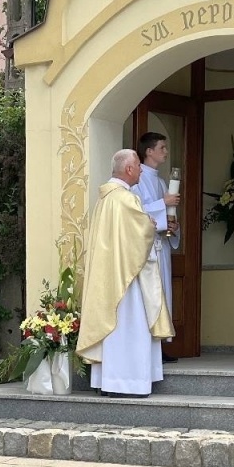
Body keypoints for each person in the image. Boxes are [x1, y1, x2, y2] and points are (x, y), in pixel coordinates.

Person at [78, 150, 175, 397]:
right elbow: (139, 234)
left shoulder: (105, 198)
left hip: (111, 276)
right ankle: (130, 381)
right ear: (129, 169)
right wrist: (151, 225)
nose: (141, 171)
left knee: (114, 329)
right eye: (139, 167)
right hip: (129, 280)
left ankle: (107, 382)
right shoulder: (125, 199)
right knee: (131, 326)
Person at [135, 132, 182, 318]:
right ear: (149, 151)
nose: (166, 151)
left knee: (163, 294)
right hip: (146, 249)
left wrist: (174, 227)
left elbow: (168, 215)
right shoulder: (136, 181)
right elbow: (136, 213)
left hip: (162, 247)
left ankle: (161, 343)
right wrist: (163, 202)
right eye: (162, 147)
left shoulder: (161, 181)